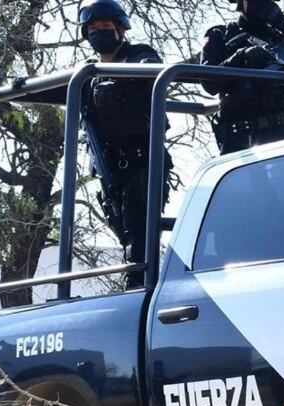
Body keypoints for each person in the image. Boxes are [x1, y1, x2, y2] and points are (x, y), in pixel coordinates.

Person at [77, 0, 172, 272]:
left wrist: (123, 82)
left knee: (139, 236)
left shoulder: (138, 54)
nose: (99, 31)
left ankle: (141, 283)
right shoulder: (87, 72)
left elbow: (151, 68)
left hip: (143, 163)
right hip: (109, 168)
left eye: (105, 26)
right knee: (124, 232)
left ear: (120, 28)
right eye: (93, 28)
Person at [201, 0, 284, 154]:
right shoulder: (221, 35)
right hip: (239, 135)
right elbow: (208, 83)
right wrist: (240, 57)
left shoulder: (280, 39)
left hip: (280, 132)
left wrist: (282, 22)